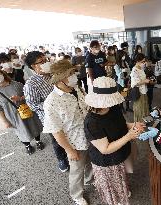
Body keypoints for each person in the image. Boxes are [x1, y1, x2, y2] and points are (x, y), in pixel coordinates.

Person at [84, 76, 144, 205]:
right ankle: (117, 200)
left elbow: (121, 123)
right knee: (112, 185)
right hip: (106, 161)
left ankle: (123, 192)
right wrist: (129, 136)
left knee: (121, 177)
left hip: (120, 151)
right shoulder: (92, 122)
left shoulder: (113, 107)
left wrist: (132, 125)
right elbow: (105, 149)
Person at [43, 60, 93, 205]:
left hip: (91, 136)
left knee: (90, 162)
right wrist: (69, 150)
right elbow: (56, 131)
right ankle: (77, 195)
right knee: (77, 171)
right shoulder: (51, 102)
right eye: (70, 73)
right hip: (75, 142)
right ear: (60, 78)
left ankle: (90, 180)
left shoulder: (76, 89)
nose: (74, 75)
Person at [24, 51, 69, 172]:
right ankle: (61, 159)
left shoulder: (54, 74)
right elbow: (32, 105)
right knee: (56, 140)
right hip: (49, 117)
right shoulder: (31, 84)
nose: (46, 63)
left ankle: (70, 153)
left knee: (68, 135)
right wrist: (52, 104)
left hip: (66, 112)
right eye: (42, 62)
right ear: (34, 66)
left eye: (46, 60)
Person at [0, 67, 44, 155]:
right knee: (21, 131)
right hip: (12, 116)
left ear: (2, 73)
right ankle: (27, 146)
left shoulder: (17, 84)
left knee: (34, 126)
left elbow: (29, 96)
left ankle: (38, 141)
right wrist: (5, 121)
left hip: (27, 110)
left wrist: (21, 98)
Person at [131, 53, 151, 122]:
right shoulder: (134, 70)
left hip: (144, 90)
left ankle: (144, 122)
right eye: (142, 62)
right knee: (139, 108)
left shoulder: (141, 68)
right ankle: (139, 123)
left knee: (144, 107)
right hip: (139, 92)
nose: (144, 63)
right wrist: (145, 81)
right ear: (137, 61)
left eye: (144, 61)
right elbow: (134, 83)